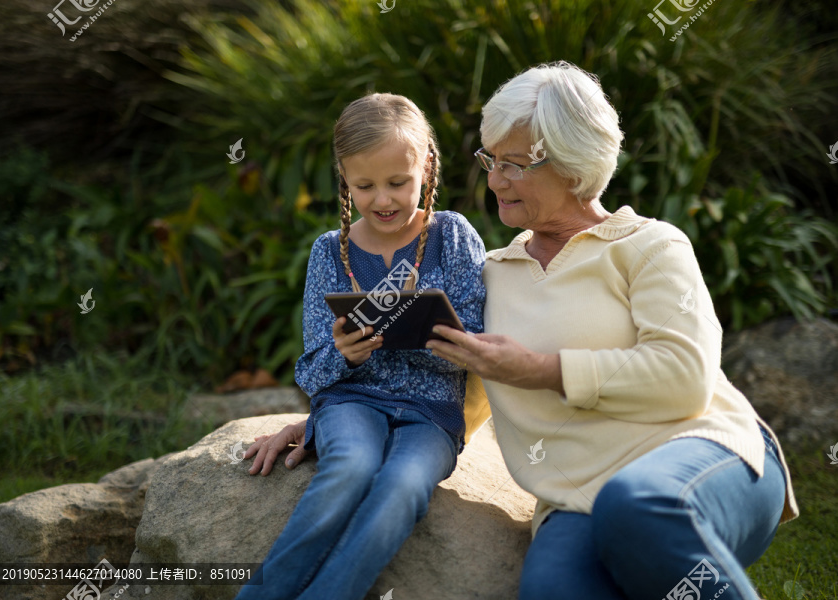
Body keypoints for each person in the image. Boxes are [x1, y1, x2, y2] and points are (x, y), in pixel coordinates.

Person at [246, 63, 799, 600]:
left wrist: (538, 369)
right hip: (578, 499)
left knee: (636, 507)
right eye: (490, 160)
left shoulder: (649, 245)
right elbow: (459, 378)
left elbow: (686, 379)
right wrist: (325, 417)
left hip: (697, 455)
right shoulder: (491, 272)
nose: (493, 180)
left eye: (513, 164)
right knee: (552, 588)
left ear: (573, 163)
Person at [235, 92, 486, 600]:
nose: (383, 200)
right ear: (344, 179)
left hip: (431, 412)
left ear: (427, 168)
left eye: (398, 183)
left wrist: (427, 333)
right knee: (350, 468)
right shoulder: (330, 250)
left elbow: (476, 342)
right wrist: (346, 353)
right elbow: (310, 370)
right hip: (352, 400)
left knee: (401, 485)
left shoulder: (453, 235)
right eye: (364, 185)